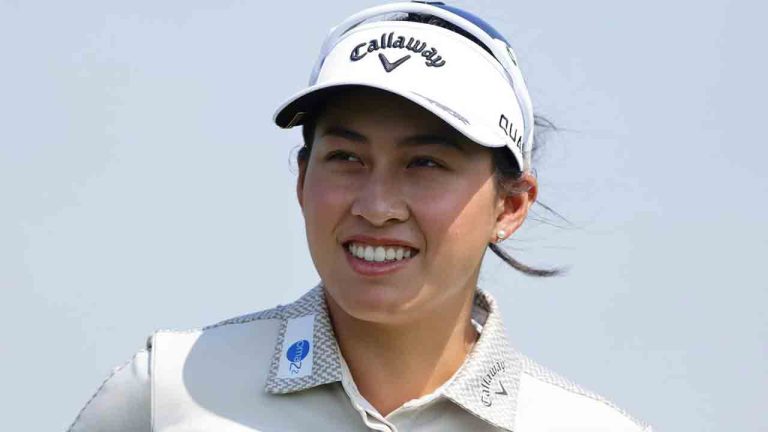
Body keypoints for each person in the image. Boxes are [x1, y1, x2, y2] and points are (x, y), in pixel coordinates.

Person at [67, 2, 653, 431]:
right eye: (346, 158)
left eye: (423, 163)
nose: (375, 206)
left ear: (510, 205)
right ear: (302, 180)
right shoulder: (168, 393)